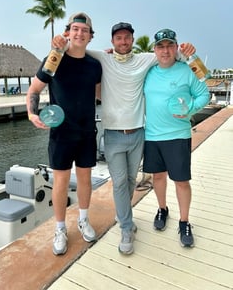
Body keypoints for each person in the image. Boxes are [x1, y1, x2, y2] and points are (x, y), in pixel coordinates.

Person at [52, 22, 195, 255]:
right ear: (112, 42)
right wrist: (60, 42)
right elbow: (77, 46)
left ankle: (123, 214)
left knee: (130, 181)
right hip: (114, 136)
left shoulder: (145, 59)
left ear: (133, 40)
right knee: (119, 182)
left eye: (127, 37)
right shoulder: (102, 57)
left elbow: (170, 54)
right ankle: (126, 228)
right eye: (118, 38)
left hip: (138, 133)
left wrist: (188, 50)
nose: (123, 42)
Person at [26, 12, 102, 255]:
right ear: (68, 32)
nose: (79, 33)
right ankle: (60, 228)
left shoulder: (94, 66)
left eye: (84, 30)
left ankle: (83, 219)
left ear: (90, 37)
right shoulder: (54, 59)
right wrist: (31, 113)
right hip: (61, 133)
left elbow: (100, 95)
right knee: (60, 181)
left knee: (85, 180)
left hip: (87, 132)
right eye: (75, 29)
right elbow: (34, 89)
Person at [142, 28, 210, 247]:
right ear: (155, 50)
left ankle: (184, 221)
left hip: (178, 135)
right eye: (161, 46)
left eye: (170, 45)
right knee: (158, 177)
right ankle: (162, 209)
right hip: (152, 135)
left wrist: (190, 110)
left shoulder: (186, 70)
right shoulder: (148, 72)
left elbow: (204, 93)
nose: (165, 50)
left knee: (181, 181)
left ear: (176, 47)